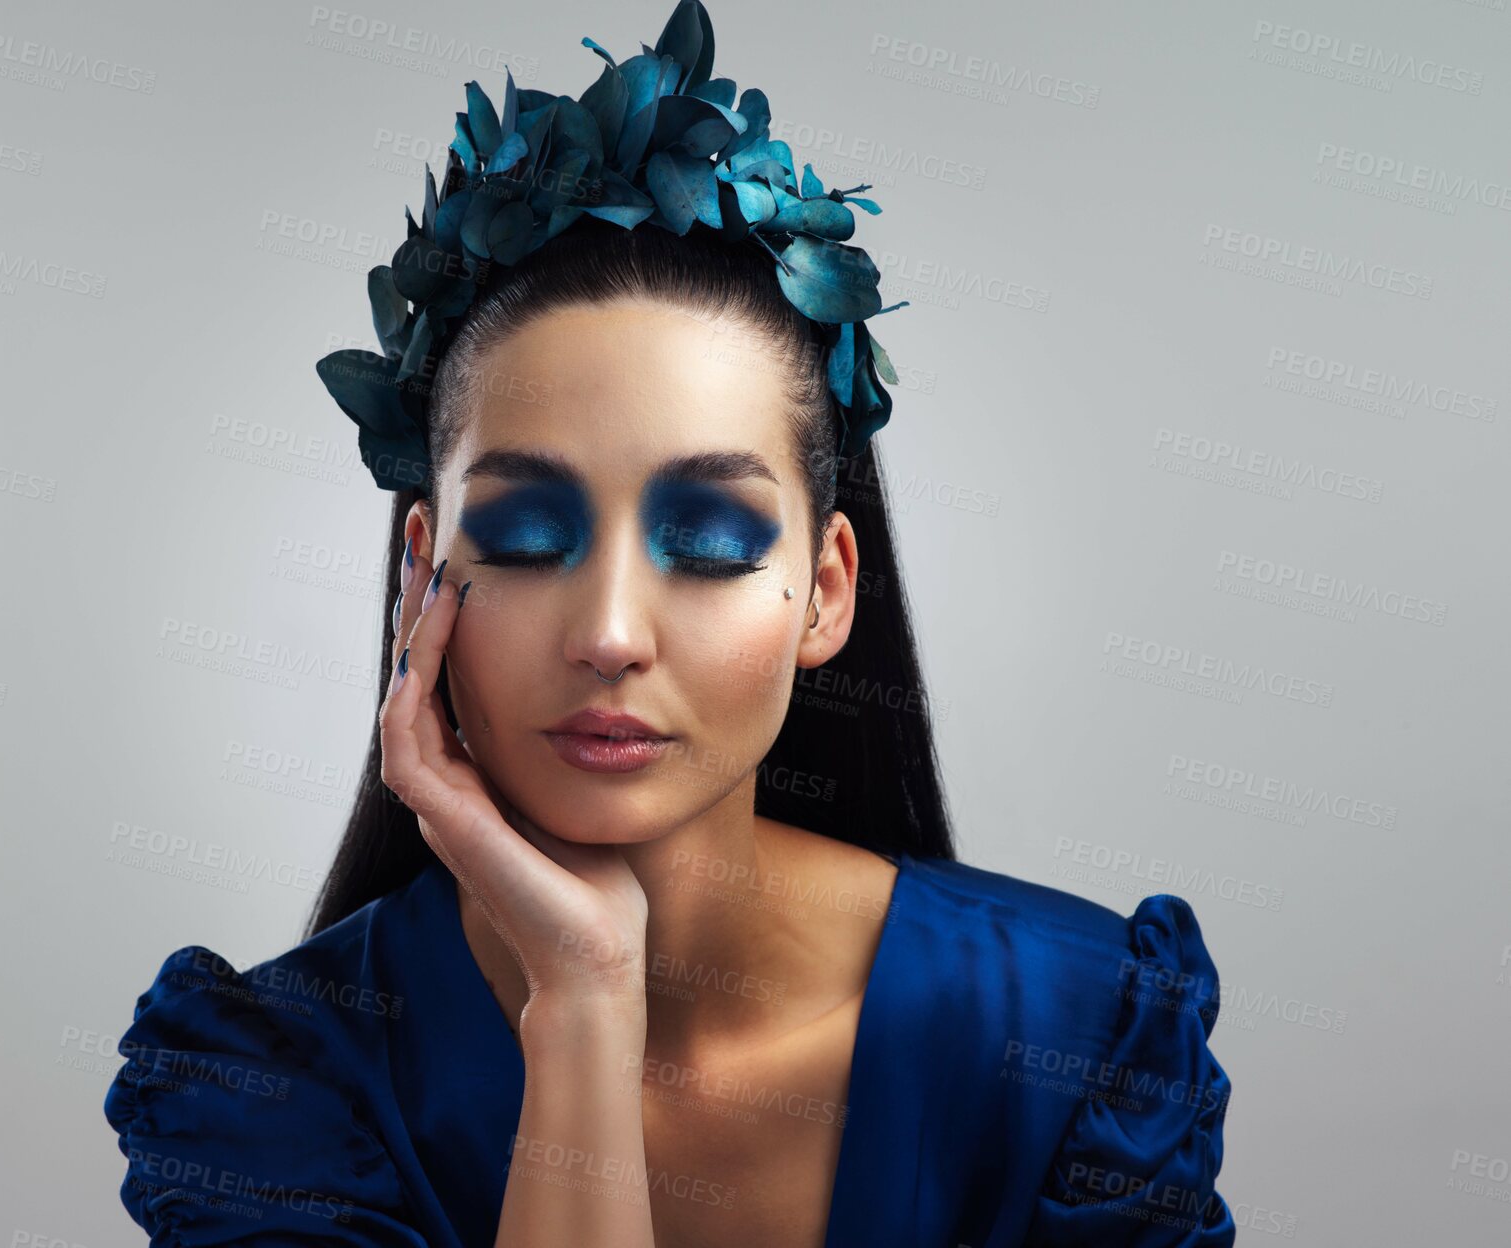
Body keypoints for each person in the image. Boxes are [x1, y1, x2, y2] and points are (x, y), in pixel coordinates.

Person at [103, 4, 1234, 1244]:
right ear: (420, 574)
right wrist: (585, 1002)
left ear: (827, 590)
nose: (610, 632)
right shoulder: (268, 1089)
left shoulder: (1073, 1039)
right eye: (529, 540)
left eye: (706, 544)